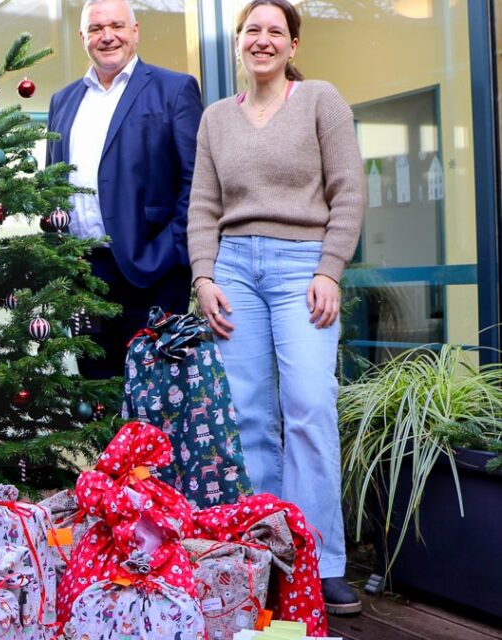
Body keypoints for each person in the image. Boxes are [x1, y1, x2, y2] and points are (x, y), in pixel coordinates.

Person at [187, 0, 365, 615]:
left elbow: (348, 191)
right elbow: (203, 206)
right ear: (238, 42)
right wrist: (204, 276)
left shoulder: (320, 100)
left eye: (276, 32)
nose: (263, 40)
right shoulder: (216, 118)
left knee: (310, 406)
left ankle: (321, 561)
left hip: (302, 268)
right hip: (234, 269)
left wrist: (330, 269)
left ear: (292, 45)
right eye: (252, 31)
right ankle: (263, 558)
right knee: (246, 417)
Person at [46, 0, 202, 380]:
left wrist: (173, 250)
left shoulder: (174, 89)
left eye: (116, 25)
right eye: (96, 29)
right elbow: (52, 183)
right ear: (82, 37)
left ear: (135, 31)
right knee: (98, 392)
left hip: (153, 272)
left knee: (155, 395)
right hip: (84, 276)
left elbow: (196, 181)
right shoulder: (62, 101)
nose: (107, 36)